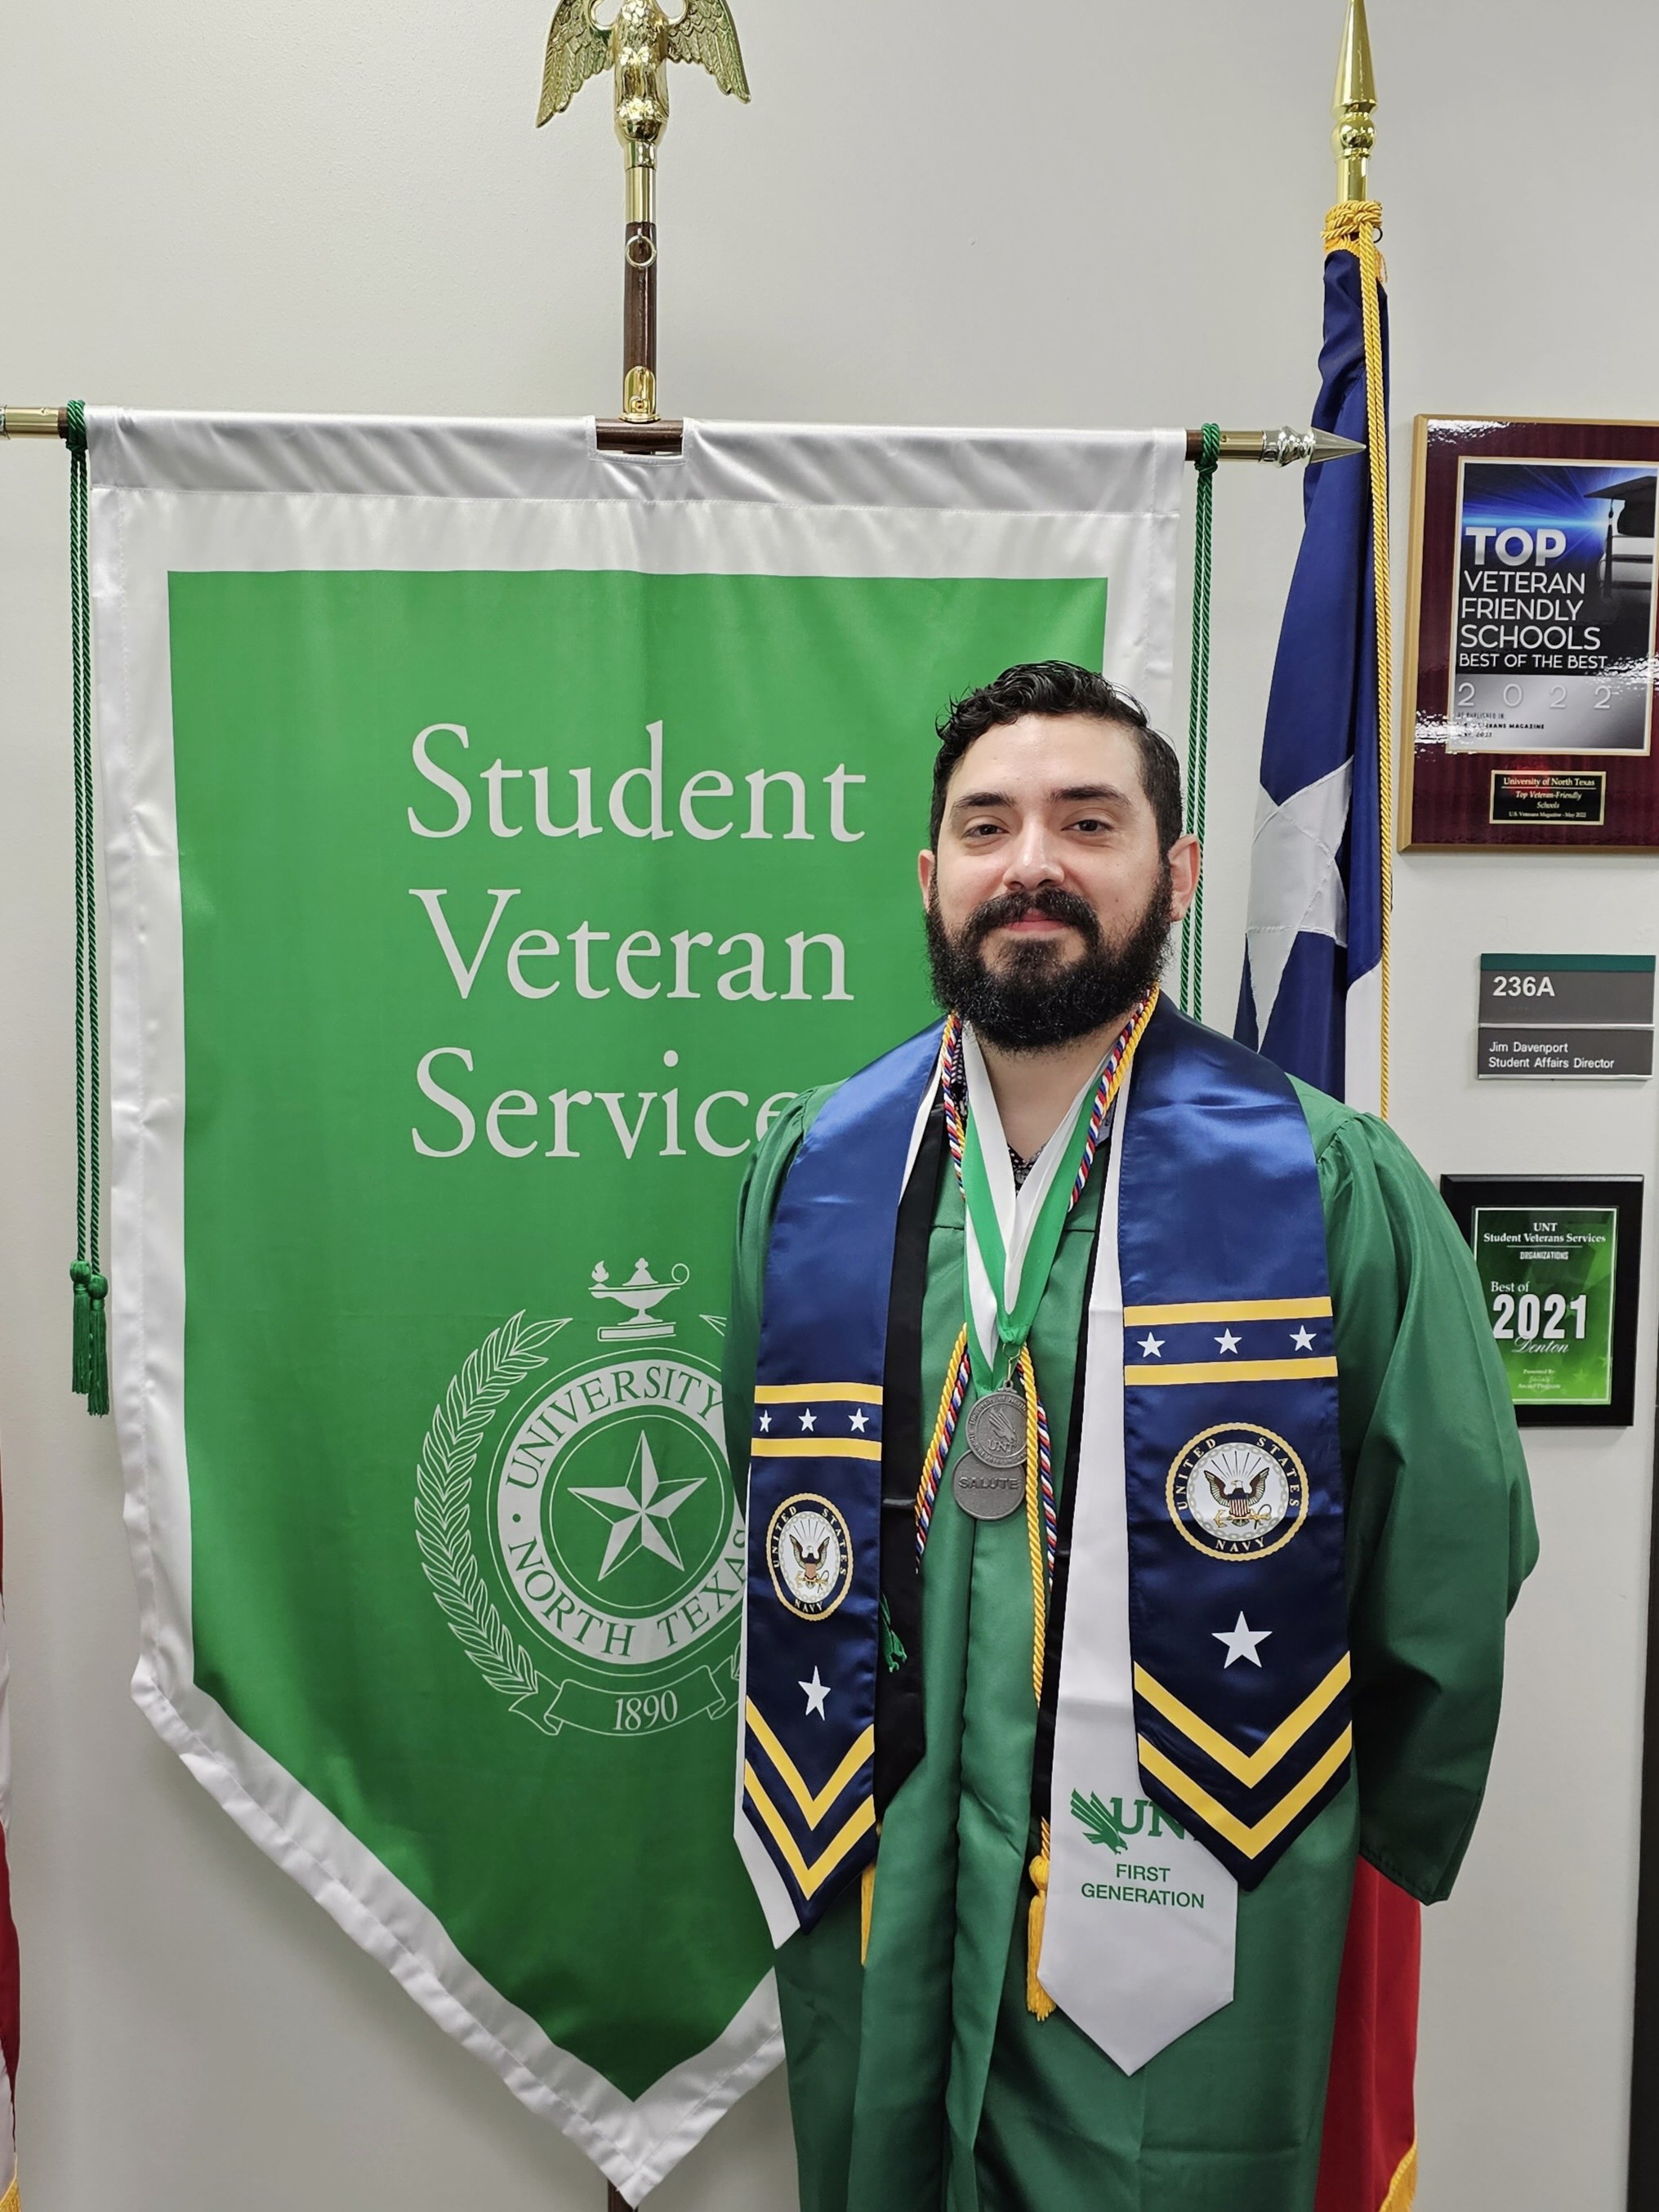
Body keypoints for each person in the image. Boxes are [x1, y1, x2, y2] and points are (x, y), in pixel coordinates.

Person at [723, 660, 1536, 2212]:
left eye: (1085, 822)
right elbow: (761, 1501)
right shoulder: (814, 1175)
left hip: (1212, 1890)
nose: (1029, 863)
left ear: (1173, 873)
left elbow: (1446, 1539)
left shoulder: (1322, 1185)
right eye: (987, 826)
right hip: (882, 1882)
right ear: (933, 877)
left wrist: (1352, 1853)